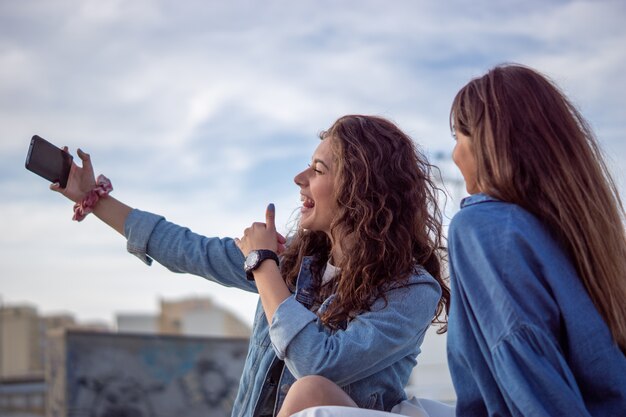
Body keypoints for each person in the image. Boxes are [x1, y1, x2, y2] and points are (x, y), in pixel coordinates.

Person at [283, 64, 626, 417]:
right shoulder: (583, 236)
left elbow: (524, 359)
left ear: (491, 145)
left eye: (458, 138)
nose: (456, 156)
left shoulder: (484, 226)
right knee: (312, 395)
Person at [51, 114, 450, 417]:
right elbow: (189, 249)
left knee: (309, 389)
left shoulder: (410, 290)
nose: (299, 178)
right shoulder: (294, 261)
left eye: (319, 170)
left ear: (362, 188)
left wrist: (262, 265)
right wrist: (93, 198)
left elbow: (320, 363)